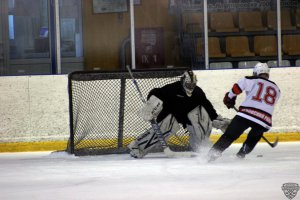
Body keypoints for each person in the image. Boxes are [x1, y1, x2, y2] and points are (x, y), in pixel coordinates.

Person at [128, 70, 231, 158]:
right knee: (166, 126)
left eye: (193, 85)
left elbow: (207, 106)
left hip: (188, 118)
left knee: (202, 116)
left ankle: (201, 147)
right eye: (188, 84)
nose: (191, 87)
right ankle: (137, 146)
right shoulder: (172, 88)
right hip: (170, 116)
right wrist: (150, 103)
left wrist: (216, 119)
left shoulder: (198, 92)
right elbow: (156, 92)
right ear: (182, 82)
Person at [207, 62, 280, 161]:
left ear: (256, 72)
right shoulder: (277, 89)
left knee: (230, 135)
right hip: (264, 121)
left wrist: (229, 98)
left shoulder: (252, 79)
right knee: (254, 137)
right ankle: (241, 154)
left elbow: (237, 87)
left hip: (246, 115)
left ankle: (212, 154)